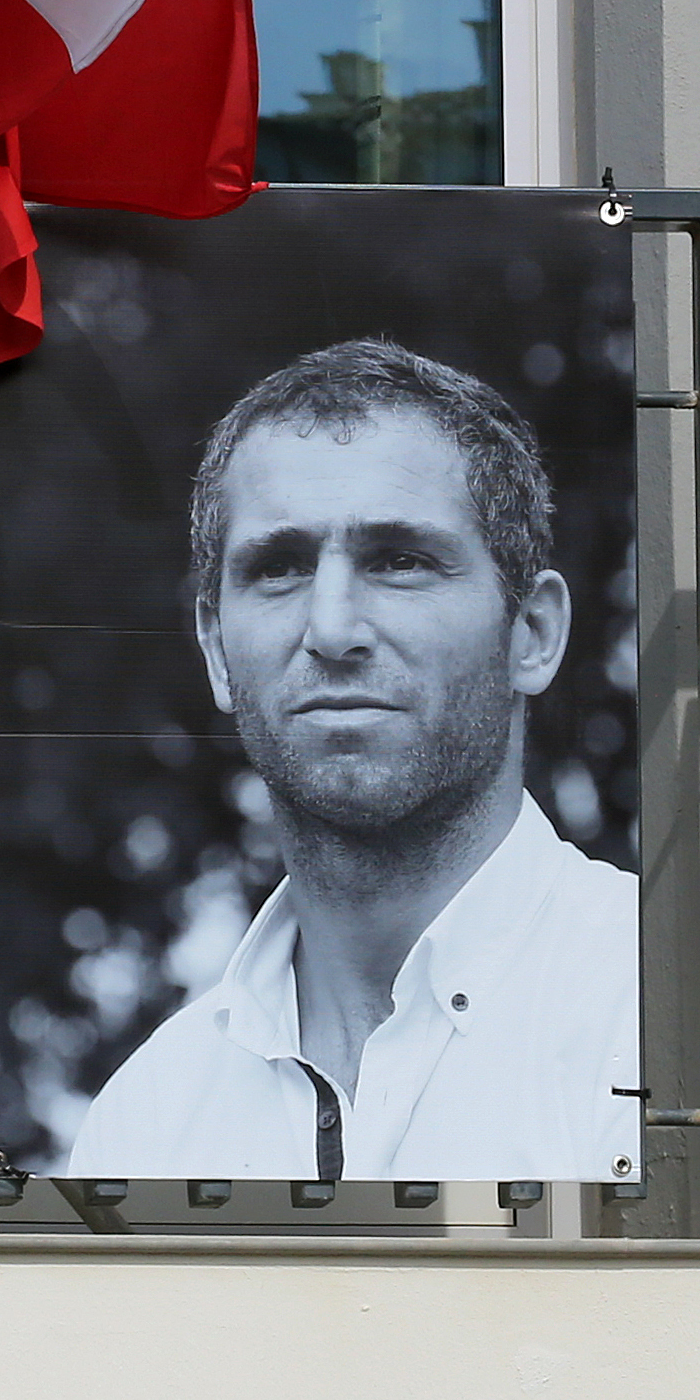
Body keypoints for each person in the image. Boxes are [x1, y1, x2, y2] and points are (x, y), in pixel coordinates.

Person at [61, 339, 640, 1183]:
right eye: (280, 567)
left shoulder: (666, 1012)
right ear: (218, 652)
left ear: (534, 634)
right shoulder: (148, 1119)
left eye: (400, 560)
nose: (332, 629)